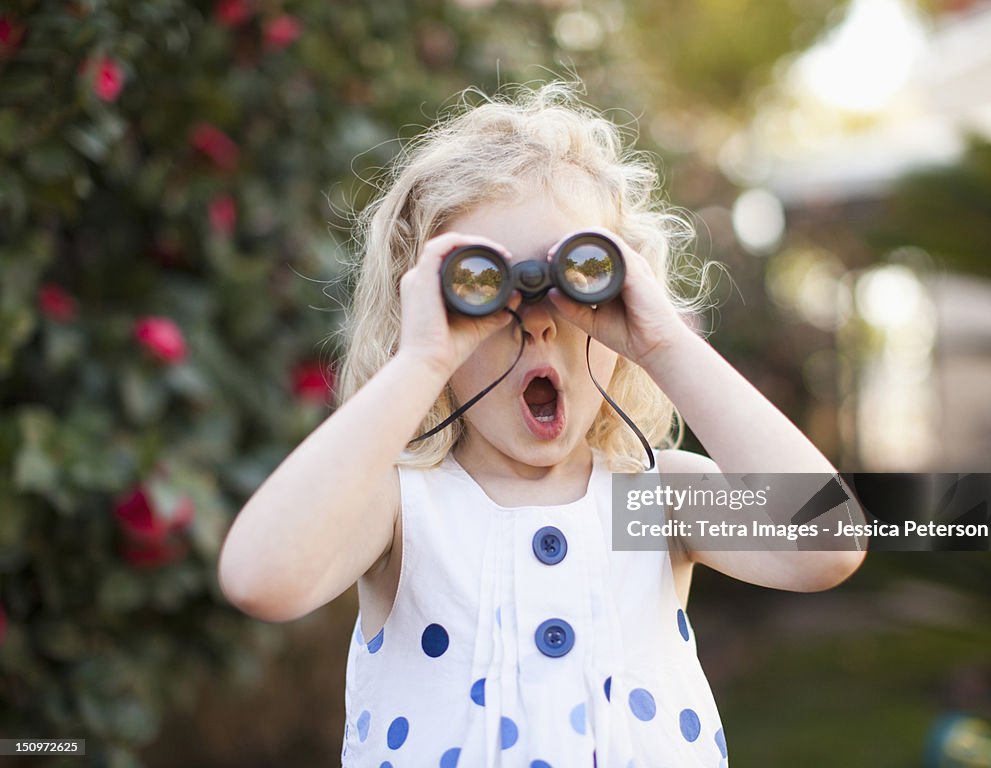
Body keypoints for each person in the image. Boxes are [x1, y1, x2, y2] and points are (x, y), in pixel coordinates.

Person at [217, 80, 866, 767]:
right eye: (478, 289)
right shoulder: (405, 510)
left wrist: (665, 345)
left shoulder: (652, 501)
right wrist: (421, 361)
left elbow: (825, 541)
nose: (538, 323)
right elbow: (262, 577)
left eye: (585, 275)